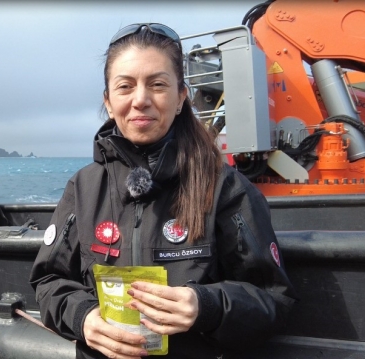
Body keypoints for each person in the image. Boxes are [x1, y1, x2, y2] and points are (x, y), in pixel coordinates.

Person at [29, 23, 297, 359]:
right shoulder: (83, 187)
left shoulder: (225, 187)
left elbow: (273, 298)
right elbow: (48, 281)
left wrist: (207, 306)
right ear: (109, 103)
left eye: (157, 84)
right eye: (125, 86)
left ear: (182, 96)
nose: (140, 100)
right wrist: (84, 318)